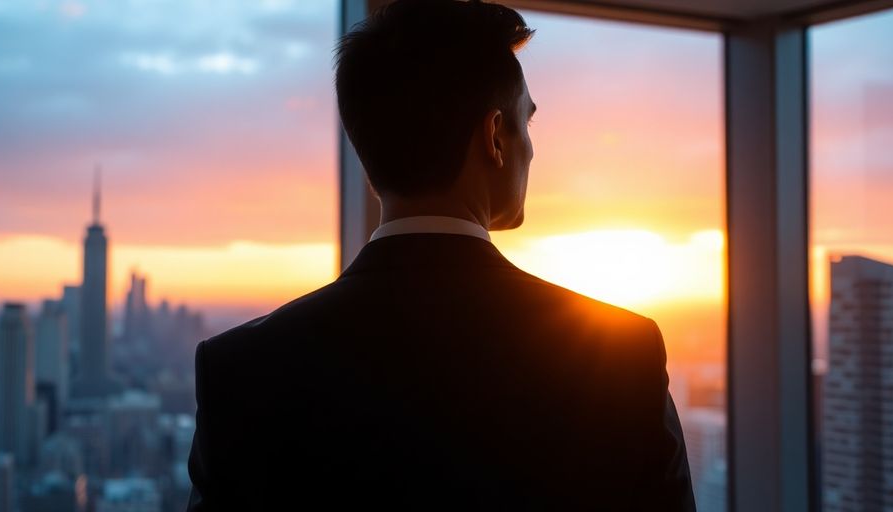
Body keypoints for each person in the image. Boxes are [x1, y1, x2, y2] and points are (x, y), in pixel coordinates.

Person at [186, 0, 695, 509]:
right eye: (527, 123)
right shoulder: (621, 357)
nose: (533, 151)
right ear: (495, 136)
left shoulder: (242, 371)